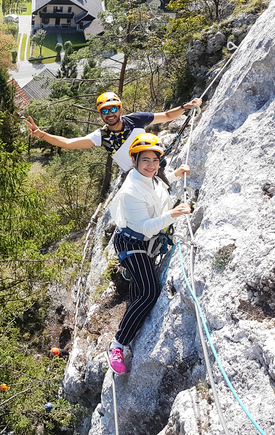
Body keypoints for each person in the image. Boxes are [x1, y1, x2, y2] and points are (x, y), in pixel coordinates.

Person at [105, 132, 192, 374]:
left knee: (138, 293)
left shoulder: (153, 177)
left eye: (155, 160)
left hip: (143, 241)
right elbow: (144, 226)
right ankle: (118, 345)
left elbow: (160, 190)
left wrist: (177, 174)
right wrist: (173, 214)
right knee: (149, 292)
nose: (152, 165)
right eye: (145, 160)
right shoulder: (131, 190)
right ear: (134, 161)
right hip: (132, 243)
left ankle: (132, 314)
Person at [24, 92, 202, 171]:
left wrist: (185, 107)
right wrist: (41, 134)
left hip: (157, 166)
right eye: (105, 111)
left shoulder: (135, 119)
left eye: (113, 109)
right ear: (101, 114)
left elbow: (167, 115)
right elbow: (69, 143)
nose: (110, 114)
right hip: (135, 176)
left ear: (120, 110)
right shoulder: (101, 136)